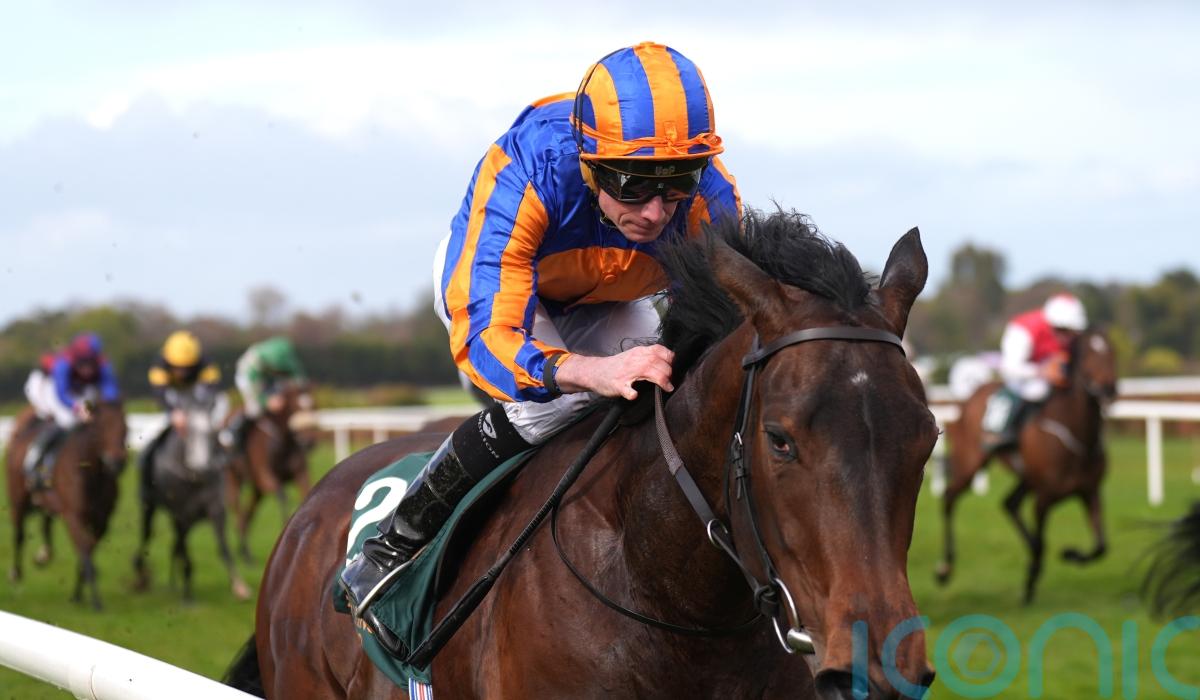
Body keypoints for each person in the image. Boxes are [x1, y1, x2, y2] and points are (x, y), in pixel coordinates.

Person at [341, 42, 742, 640]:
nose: (657, 213)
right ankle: (396, 542)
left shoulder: (709, 197)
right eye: (633, 185)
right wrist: (585, 371)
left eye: (677, 183)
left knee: (665, 389)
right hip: (500, 293)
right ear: (590, 164)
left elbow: (722, 322)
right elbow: (490, 335)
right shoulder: (526, 169)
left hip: (609, 297)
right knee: (549, 405)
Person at [982, 293, 1088, 449]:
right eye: (1065, 331)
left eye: (1072, 332)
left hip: (1042, 369)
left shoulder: (1067, 336)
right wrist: (1042, 372)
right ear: (1055, 325)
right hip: (1023, 373)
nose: (1069, 337)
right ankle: (995, 428)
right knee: (1035, 390)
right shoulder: (1023, 331)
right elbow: (1010, 368)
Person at [21, 332, 121, 480]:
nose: (88, 368)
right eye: (84, 362)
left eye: (91, 361)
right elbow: (61, 394)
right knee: (66, 421)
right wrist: (78, 408)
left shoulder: (102, 363)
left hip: (78, 389)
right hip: (49, 387)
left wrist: (106, 407)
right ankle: (35, 461)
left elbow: (110, 390)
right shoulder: (63, 364)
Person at [139, 330, 225, 495]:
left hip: (197, 396)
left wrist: (196, 411)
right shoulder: (159, 364)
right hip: (172, 396)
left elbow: (211, 391)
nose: (182, 371)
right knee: (153, 435)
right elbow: (160, 393)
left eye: (186, 367)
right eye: (177, 367)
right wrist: (174, 412)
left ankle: (213, 466)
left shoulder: (206, 363)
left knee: (203, 425)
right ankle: (146, 480)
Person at [223, 336, 307, 449]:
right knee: (254, 409)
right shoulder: (254, 364)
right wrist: (266, 401)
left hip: (268, 378)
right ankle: (233, 431)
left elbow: (298, 379)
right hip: (249, 379)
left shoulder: (287, 359)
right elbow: (254, 391)